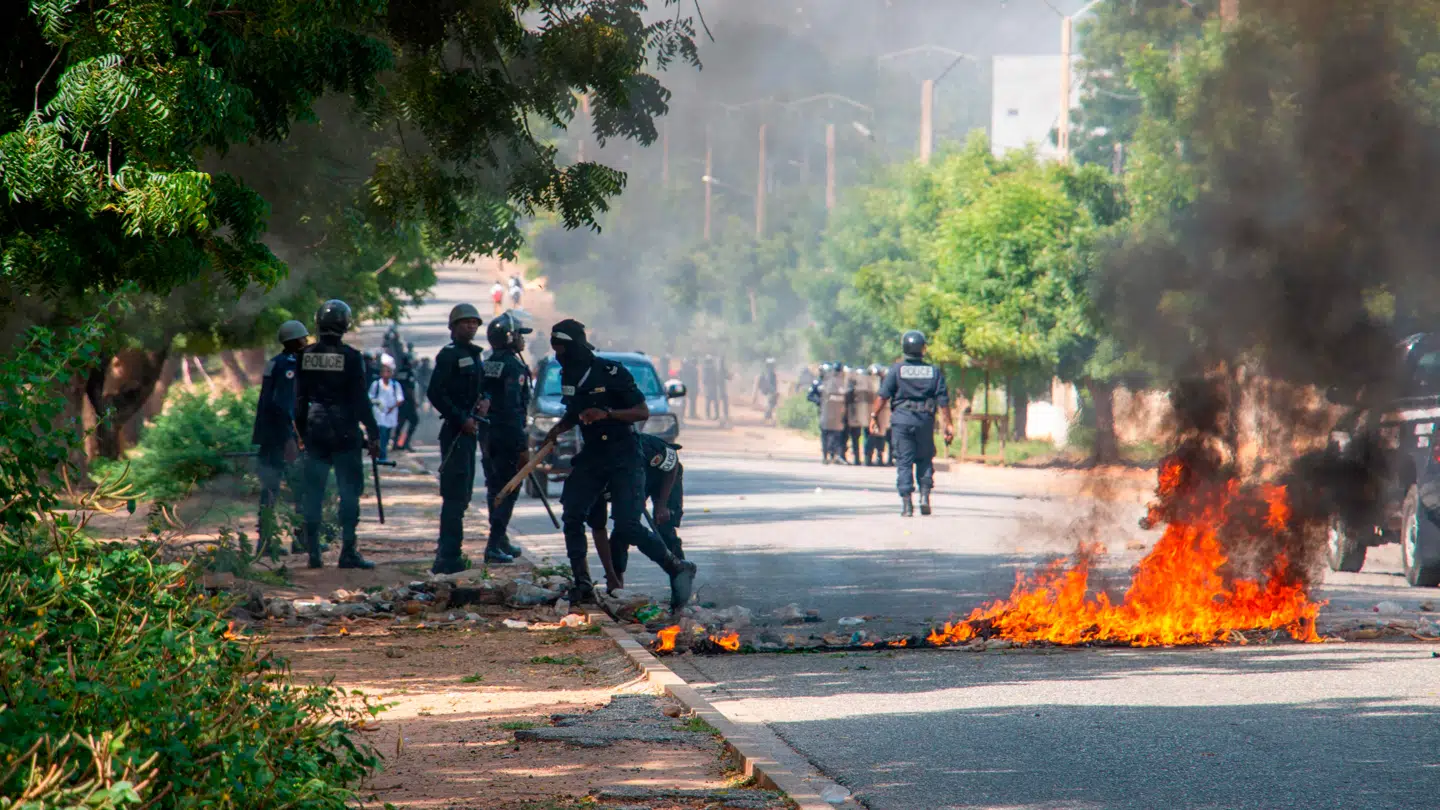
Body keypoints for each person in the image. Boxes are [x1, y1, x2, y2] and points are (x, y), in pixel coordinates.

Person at [538, 319, 697, 611]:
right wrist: (558, 429)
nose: (558, 355)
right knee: (573, 514)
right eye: (555, 349)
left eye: (561, 348)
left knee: (627, 525)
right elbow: (575, 412)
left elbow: (641, 411)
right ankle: (582, 582)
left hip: (624, 454)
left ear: (573, 346)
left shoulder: (611, 372)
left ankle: (676, 567)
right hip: (593, 455)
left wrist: (606, 413)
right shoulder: (567, 375)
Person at [295, 299, 380, 569]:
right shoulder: (352, 358)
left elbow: (298, 401)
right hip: (345, 432)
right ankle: (348, 551)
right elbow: (361, 401)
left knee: (314, 493)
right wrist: (374, 433)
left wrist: (302, 433)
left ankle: (313, 553)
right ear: (346, 325)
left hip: (315, 430)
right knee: (349, 492)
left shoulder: (305, 356)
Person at [427, 303, 505, 573]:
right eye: (465, 322)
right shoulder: (448, 356)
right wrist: (462, 418)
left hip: (470, 431)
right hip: (455, 432)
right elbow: (435, 393)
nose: (471, 326)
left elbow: (482, 387)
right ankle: (447, 557)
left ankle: (451, 553)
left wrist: (486, 399)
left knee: (464, 495)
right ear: (453, 327)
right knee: (454, 495)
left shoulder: (474, 355)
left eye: (475, 322)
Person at [585, 432, 685, 591]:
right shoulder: (592, 485)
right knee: (623, 528)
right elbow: (598, 529)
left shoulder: (638, 447)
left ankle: (680, 578)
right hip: (633, 486)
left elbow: (671, 464)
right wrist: (610, 574)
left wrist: (662, 504)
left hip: (662, 476)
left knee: (664, 525)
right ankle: (616, 584)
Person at [872, 331, 954, 517]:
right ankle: (924, 497)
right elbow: (943, 401)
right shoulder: (934, 372)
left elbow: (883, 396)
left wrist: (873, 416)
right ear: (923, 349)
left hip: (901, 421)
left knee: (904, 461)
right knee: (925, 459)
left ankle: (907, 504)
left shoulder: (896, 370)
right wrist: (948, 425)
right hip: (925, 421)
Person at [251, 319, 309, 556]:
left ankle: (265, 543)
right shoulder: (289, 365)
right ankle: (301, 540)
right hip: (280, 437)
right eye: (303, 339)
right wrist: (290, 439)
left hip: (268, 436)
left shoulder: (274, 362)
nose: (306, 342)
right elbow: (283, 404)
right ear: (294, 341)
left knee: (269, 490)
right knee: (299, 487)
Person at [479, 310, 533, 562]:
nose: (523, 340)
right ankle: (493, 543)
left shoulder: (487, 362)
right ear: (509, 337)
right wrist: (522, 446)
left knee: (494, 488)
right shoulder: (513, 366)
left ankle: (500, 540)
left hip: (487, 434)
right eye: (520, 335)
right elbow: (512, 407)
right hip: (508, 435)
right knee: (509, 488)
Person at [369, 358, 403, 463]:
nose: (386, 374)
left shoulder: (395, 385)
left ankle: (382, 454)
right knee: (382, 434)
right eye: (384, 371)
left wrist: (391, 408)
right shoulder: (376, 384)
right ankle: (382, 456)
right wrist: (378, 404)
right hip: (379, 414)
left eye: (388, 371)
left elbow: (400, 399)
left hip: (391, 414)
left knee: (387, 436)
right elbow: (370, 397)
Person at [819, 364, 848, 464]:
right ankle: (825, 455)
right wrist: (820, 402)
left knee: (836, 435)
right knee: (825, 434)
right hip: (826, 412)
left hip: (838, 414)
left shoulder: (843, 384)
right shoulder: (824, 384)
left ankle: (834, 455)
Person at [865, 364, 892, 466]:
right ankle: (868, 457)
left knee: (882, 436)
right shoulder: (867, 385)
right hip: (870, 413)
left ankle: (880, 457)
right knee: (870, 436)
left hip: (884, 413)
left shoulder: (885, 385)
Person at [392, 351, 420, 452]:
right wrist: (414, 401)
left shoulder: (399, 372)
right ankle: (406, 443)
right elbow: (409, 389)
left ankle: (396, 444)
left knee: (401, 423)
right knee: (414, 421)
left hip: (400, 402)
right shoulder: (409, 372)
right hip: (408, 402)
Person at [848, 365, 875, 464]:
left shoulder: (854, 385)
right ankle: (863, 458)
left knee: (860, 436)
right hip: (863, 414)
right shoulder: (870, 385)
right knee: (862, 436)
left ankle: (863, 458)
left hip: (862, 414)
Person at [754, 358, 779, 425]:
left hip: (768, 391)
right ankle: (766, 418)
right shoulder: (770, 373)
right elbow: (769, 383)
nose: (773, 366)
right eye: (772, 365)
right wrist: (773, 391)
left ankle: (768, 418)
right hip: (769, 391)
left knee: (771, 404)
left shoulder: (767, 372)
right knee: (771, 404)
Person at [701, 355, 720, 420]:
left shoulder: (705, 369)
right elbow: (716, 378)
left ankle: (708, 415)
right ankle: (716, 415)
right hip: (713, 387)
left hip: (708, 387)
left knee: (708, 402)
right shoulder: (713, 368)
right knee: (715, 402)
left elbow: (704, 380)